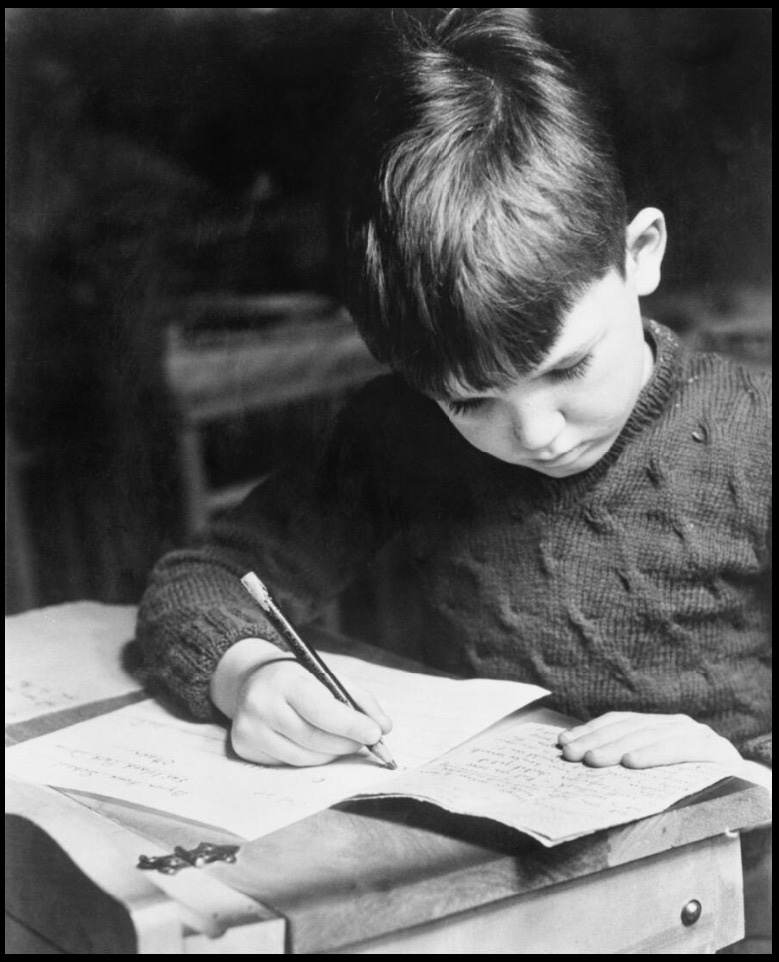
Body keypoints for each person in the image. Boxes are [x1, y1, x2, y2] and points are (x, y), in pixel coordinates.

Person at [137, 10, 770, 783]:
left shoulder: (755, 439)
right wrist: (248, 676)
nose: (535, 433)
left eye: (567, 368)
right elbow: (198, 580)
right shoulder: (398, 434)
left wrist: (740, 766)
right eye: (469, 402)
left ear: (639, 255)